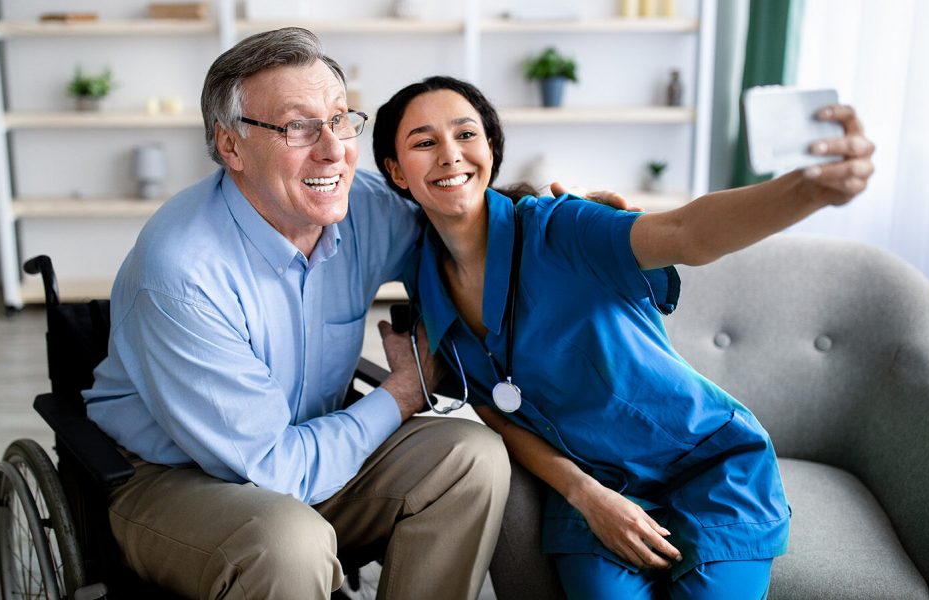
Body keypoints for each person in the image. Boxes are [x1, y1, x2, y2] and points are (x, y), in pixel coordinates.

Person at [371, 76, 875, 599]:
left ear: (492, 149)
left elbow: (687, 233)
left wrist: (807, 190)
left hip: (710, 466)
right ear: (396, 171)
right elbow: (495, 410)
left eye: (466, 134)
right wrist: (587, 495)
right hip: (595, 488)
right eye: (424, 143)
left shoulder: (562, 227)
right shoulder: (423, 279)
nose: (450, 156)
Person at [82, 29, 515, 599]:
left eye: (339, 119)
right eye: (297, 127)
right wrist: (401, 396)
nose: (334, 149)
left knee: (473, 456)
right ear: (231, 146)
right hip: (175, 479)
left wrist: (576, 222)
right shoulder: (182, 273)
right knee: (289, 542)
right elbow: (272, 466)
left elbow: (462, 228)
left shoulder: (360, 208)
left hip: (316, 446)